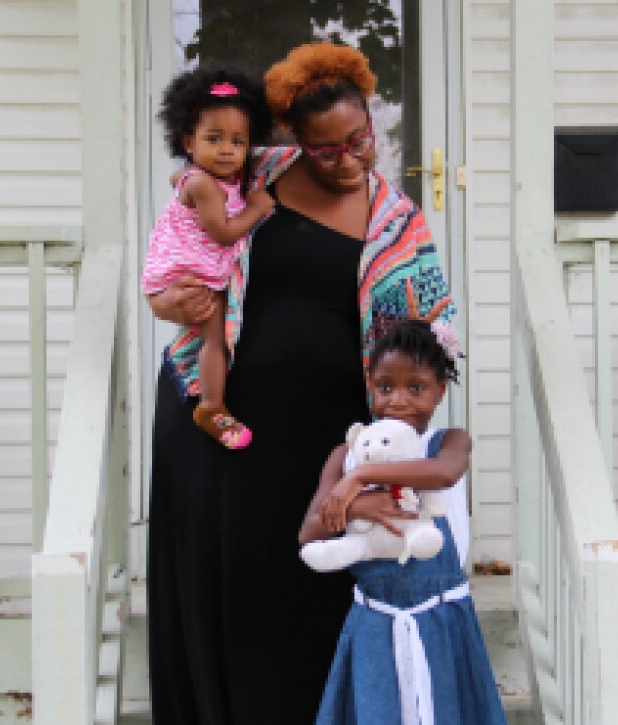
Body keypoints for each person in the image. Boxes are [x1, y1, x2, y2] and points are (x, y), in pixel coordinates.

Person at [146, 42, 456, 725]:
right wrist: (167, 302)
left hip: (316, 449)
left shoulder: (396, 221)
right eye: (327, 150)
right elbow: (175, 255)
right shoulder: (252, 175)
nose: (347, 160)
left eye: (360, 141)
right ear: (295, 142)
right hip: (211, 422)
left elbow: (429, 343)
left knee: (303, 606)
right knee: (218, 597)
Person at [300, 319, 506, 724]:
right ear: (370, 385)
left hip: (442, 619)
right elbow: (309, 531)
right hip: (375, 620)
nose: (398, 401)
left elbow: (444, 474)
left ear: (440, 391)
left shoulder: (448, 442)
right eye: (385, 387)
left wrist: (357, 483)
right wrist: (357, 507)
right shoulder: (347, 454)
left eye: (416, 388)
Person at [141, 64, 275, 449]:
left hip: (190, 264)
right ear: (188, 141)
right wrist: (256, 208)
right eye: (214, 139)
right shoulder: (203, 183)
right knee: (215, 340)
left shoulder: (203, 177)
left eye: (238, 141)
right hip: (188, 270)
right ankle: (211, 405)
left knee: (215, 336)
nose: (227, 150)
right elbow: (224, 232)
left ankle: (212, 401)